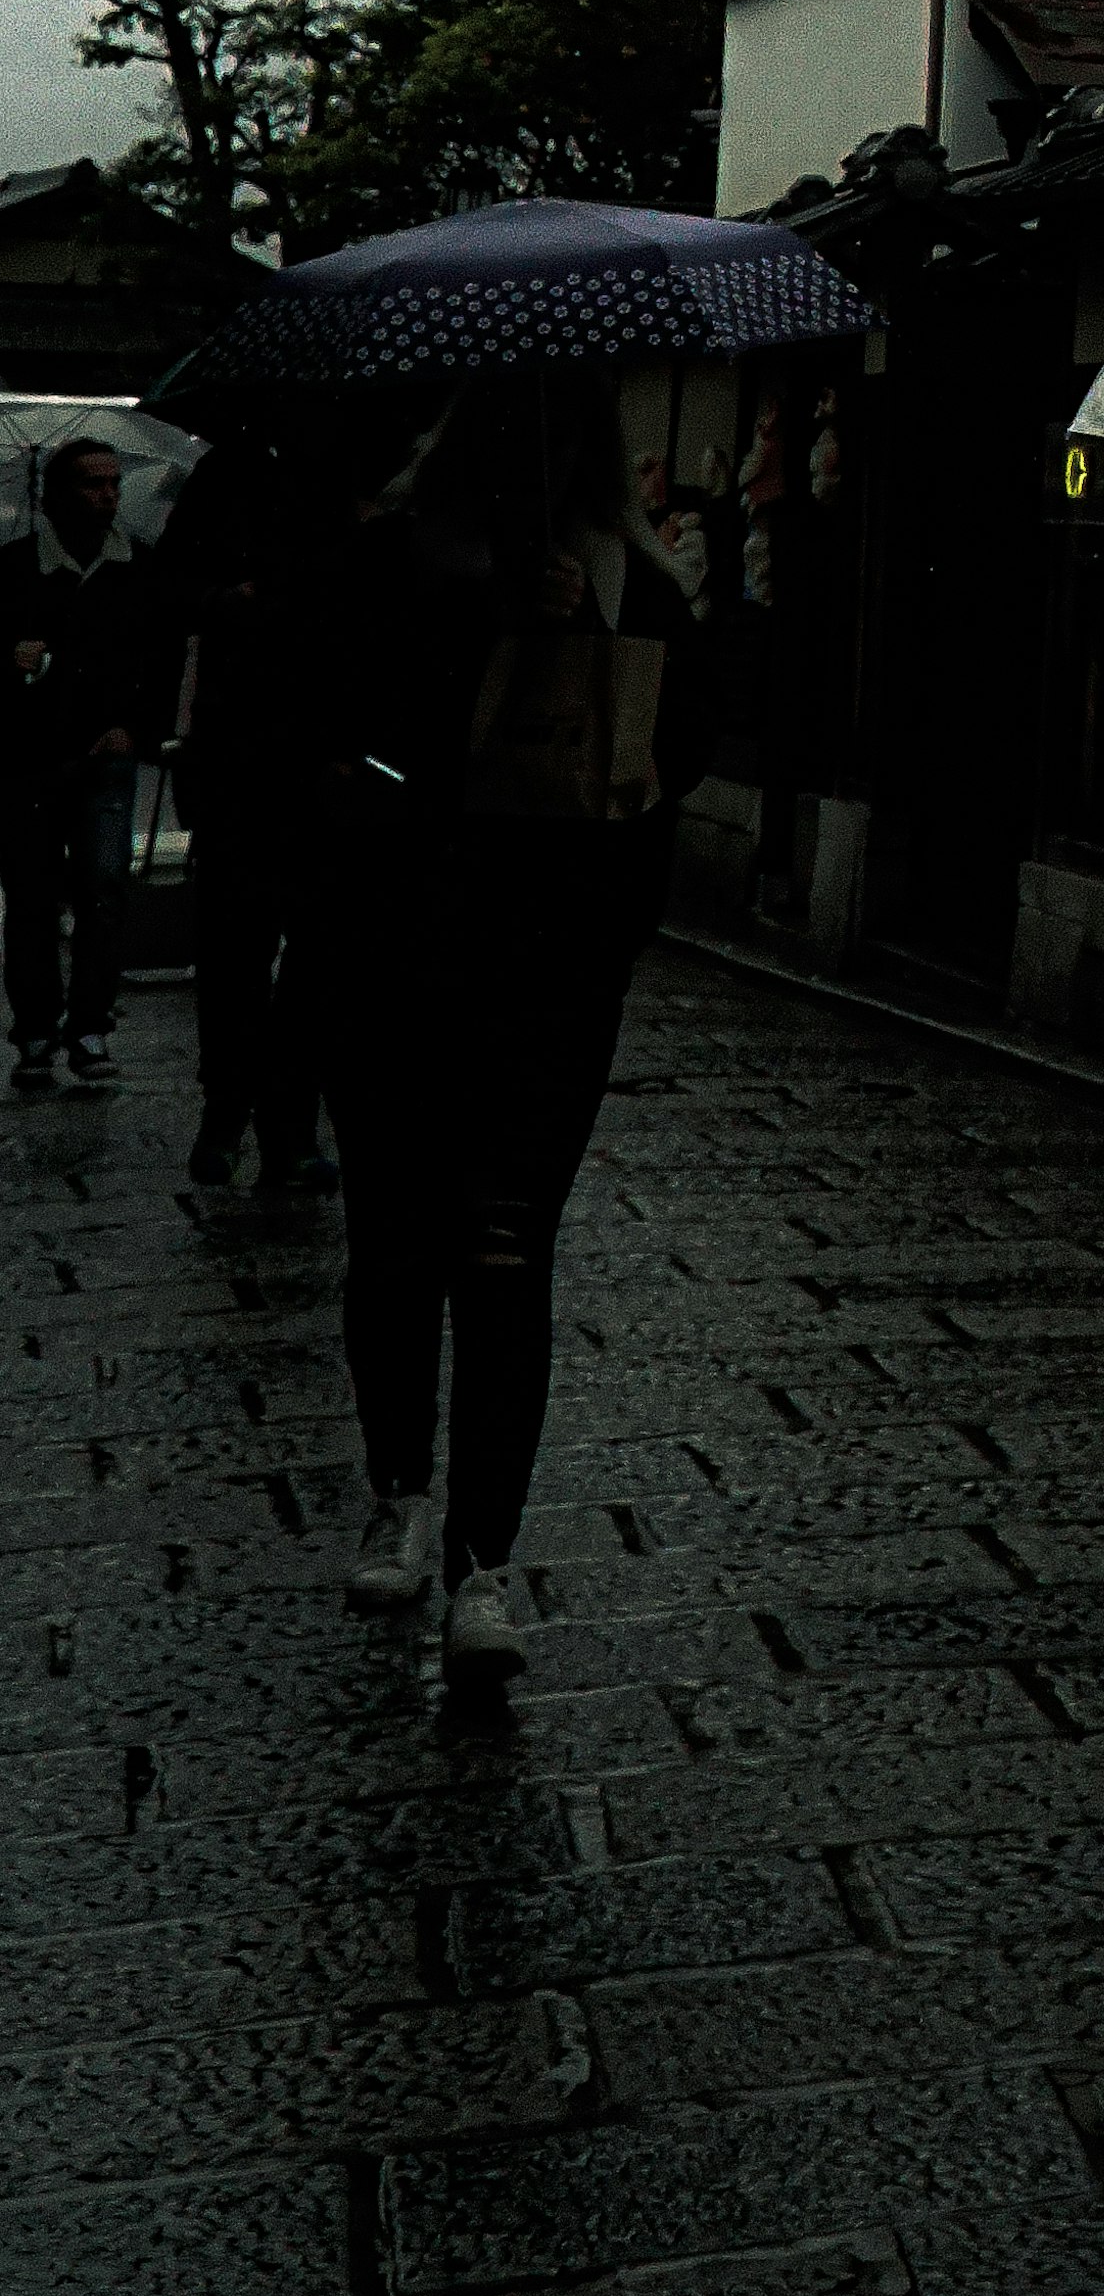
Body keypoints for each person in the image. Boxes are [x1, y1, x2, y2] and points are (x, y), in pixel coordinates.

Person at [306, 380, 694, 1686]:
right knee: (395, 1242)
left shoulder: (642, 587)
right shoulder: (384, 561)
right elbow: (330, 738)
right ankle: (400, 1485)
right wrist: (480, 632)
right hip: (390, 956)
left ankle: (485, 1555)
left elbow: (663, 778)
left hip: (548, 975)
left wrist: (576, 649)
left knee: (507, 1246)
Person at [163, 434, 341, 1195]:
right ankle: (230, 1109)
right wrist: (223, 601)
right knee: (235, 947)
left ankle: (288, 1121)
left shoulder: (357, 479)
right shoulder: (230, 473)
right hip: (240, 749)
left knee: (318, 960)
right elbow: (170, 584)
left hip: (327, 750)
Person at [3, 434, 177, 1091]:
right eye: (91, 485)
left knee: (103, 888)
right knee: (32, 896)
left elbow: (161, 662)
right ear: (57, 497)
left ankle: (89, 1023)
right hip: (27, 759)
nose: (106, 496)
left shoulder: (138, 568)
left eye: (112, 484)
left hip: (104, 753)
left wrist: (136, 728)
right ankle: (39, 1028)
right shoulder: (14, 570)